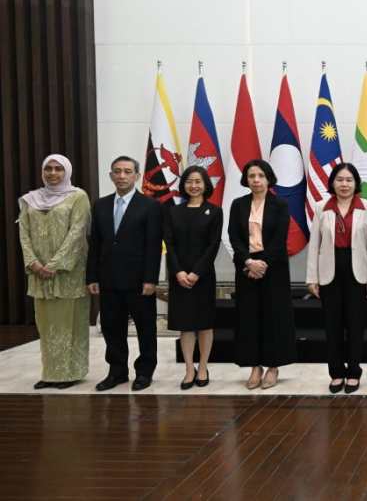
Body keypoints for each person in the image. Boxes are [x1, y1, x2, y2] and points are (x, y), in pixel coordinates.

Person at [87, 156, 163, 392]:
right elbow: (95, 245)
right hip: (108, 279)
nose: (122, 176)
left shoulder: (150, 206)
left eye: (127, 171)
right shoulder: (100, 205)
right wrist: (92, 277)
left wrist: (151, 279)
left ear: (137, 176)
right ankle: (117, 371)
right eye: (117, 171)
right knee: (111, 327)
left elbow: (153, 245)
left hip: (140, 281)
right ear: (111, 175)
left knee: (145, 328)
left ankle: (144, 371)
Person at [18, 154, 91, 390]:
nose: (52, 173)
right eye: (48, 168)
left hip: (68, 274)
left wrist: (54, 264)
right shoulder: (30, 200)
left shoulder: (78, 197)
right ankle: (50, 373)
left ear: (67, 172)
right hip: (39, 274)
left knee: (70, 323)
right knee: (46, 324)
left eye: (58, 169)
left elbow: (77, 233)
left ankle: (71, 373)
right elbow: (24, 235)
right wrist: (34, 263)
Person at [306, 163, 367, 394]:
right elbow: (314, 245)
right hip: (329, 271)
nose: (344, 184)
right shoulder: (321, 207)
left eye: (349, 180)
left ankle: (354, 372)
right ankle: (336, 373)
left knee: (356, 325)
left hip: (358, 272)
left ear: (356, 183)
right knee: (332, 325)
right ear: (332, 183)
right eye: (340, 180)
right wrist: (312, 278)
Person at [228, 159, 295, 390]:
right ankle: (254, 367)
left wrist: (262, 264)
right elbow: (234, 237)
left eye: (260, 176)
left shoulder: (281, 205)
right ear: (246, 180)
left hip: (273, 269)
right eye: (251, 176)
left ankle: (273, 367)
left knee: (273, 317)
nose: (256, 180)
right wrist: (248, 261)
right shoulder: (238, 204)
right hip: (246, 269)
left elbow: (279, 239)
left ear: (268, 179)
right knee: (249, 318)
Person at [163, 166, 222, 390]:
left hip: (203, 276)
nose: (194, 185)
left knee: (205, 324)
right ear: (184, 185)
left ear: (206, 185)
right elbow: (170, 244)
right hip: (178, 276)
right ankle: (189, 368)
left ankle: (204, 366)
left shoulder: (214, 211)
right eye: (189, 181)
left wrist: (196, 272)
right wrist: (178, 271)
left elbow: (213, 245)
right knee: (185, 325)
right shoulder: (172, 211)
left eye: (198, 181)